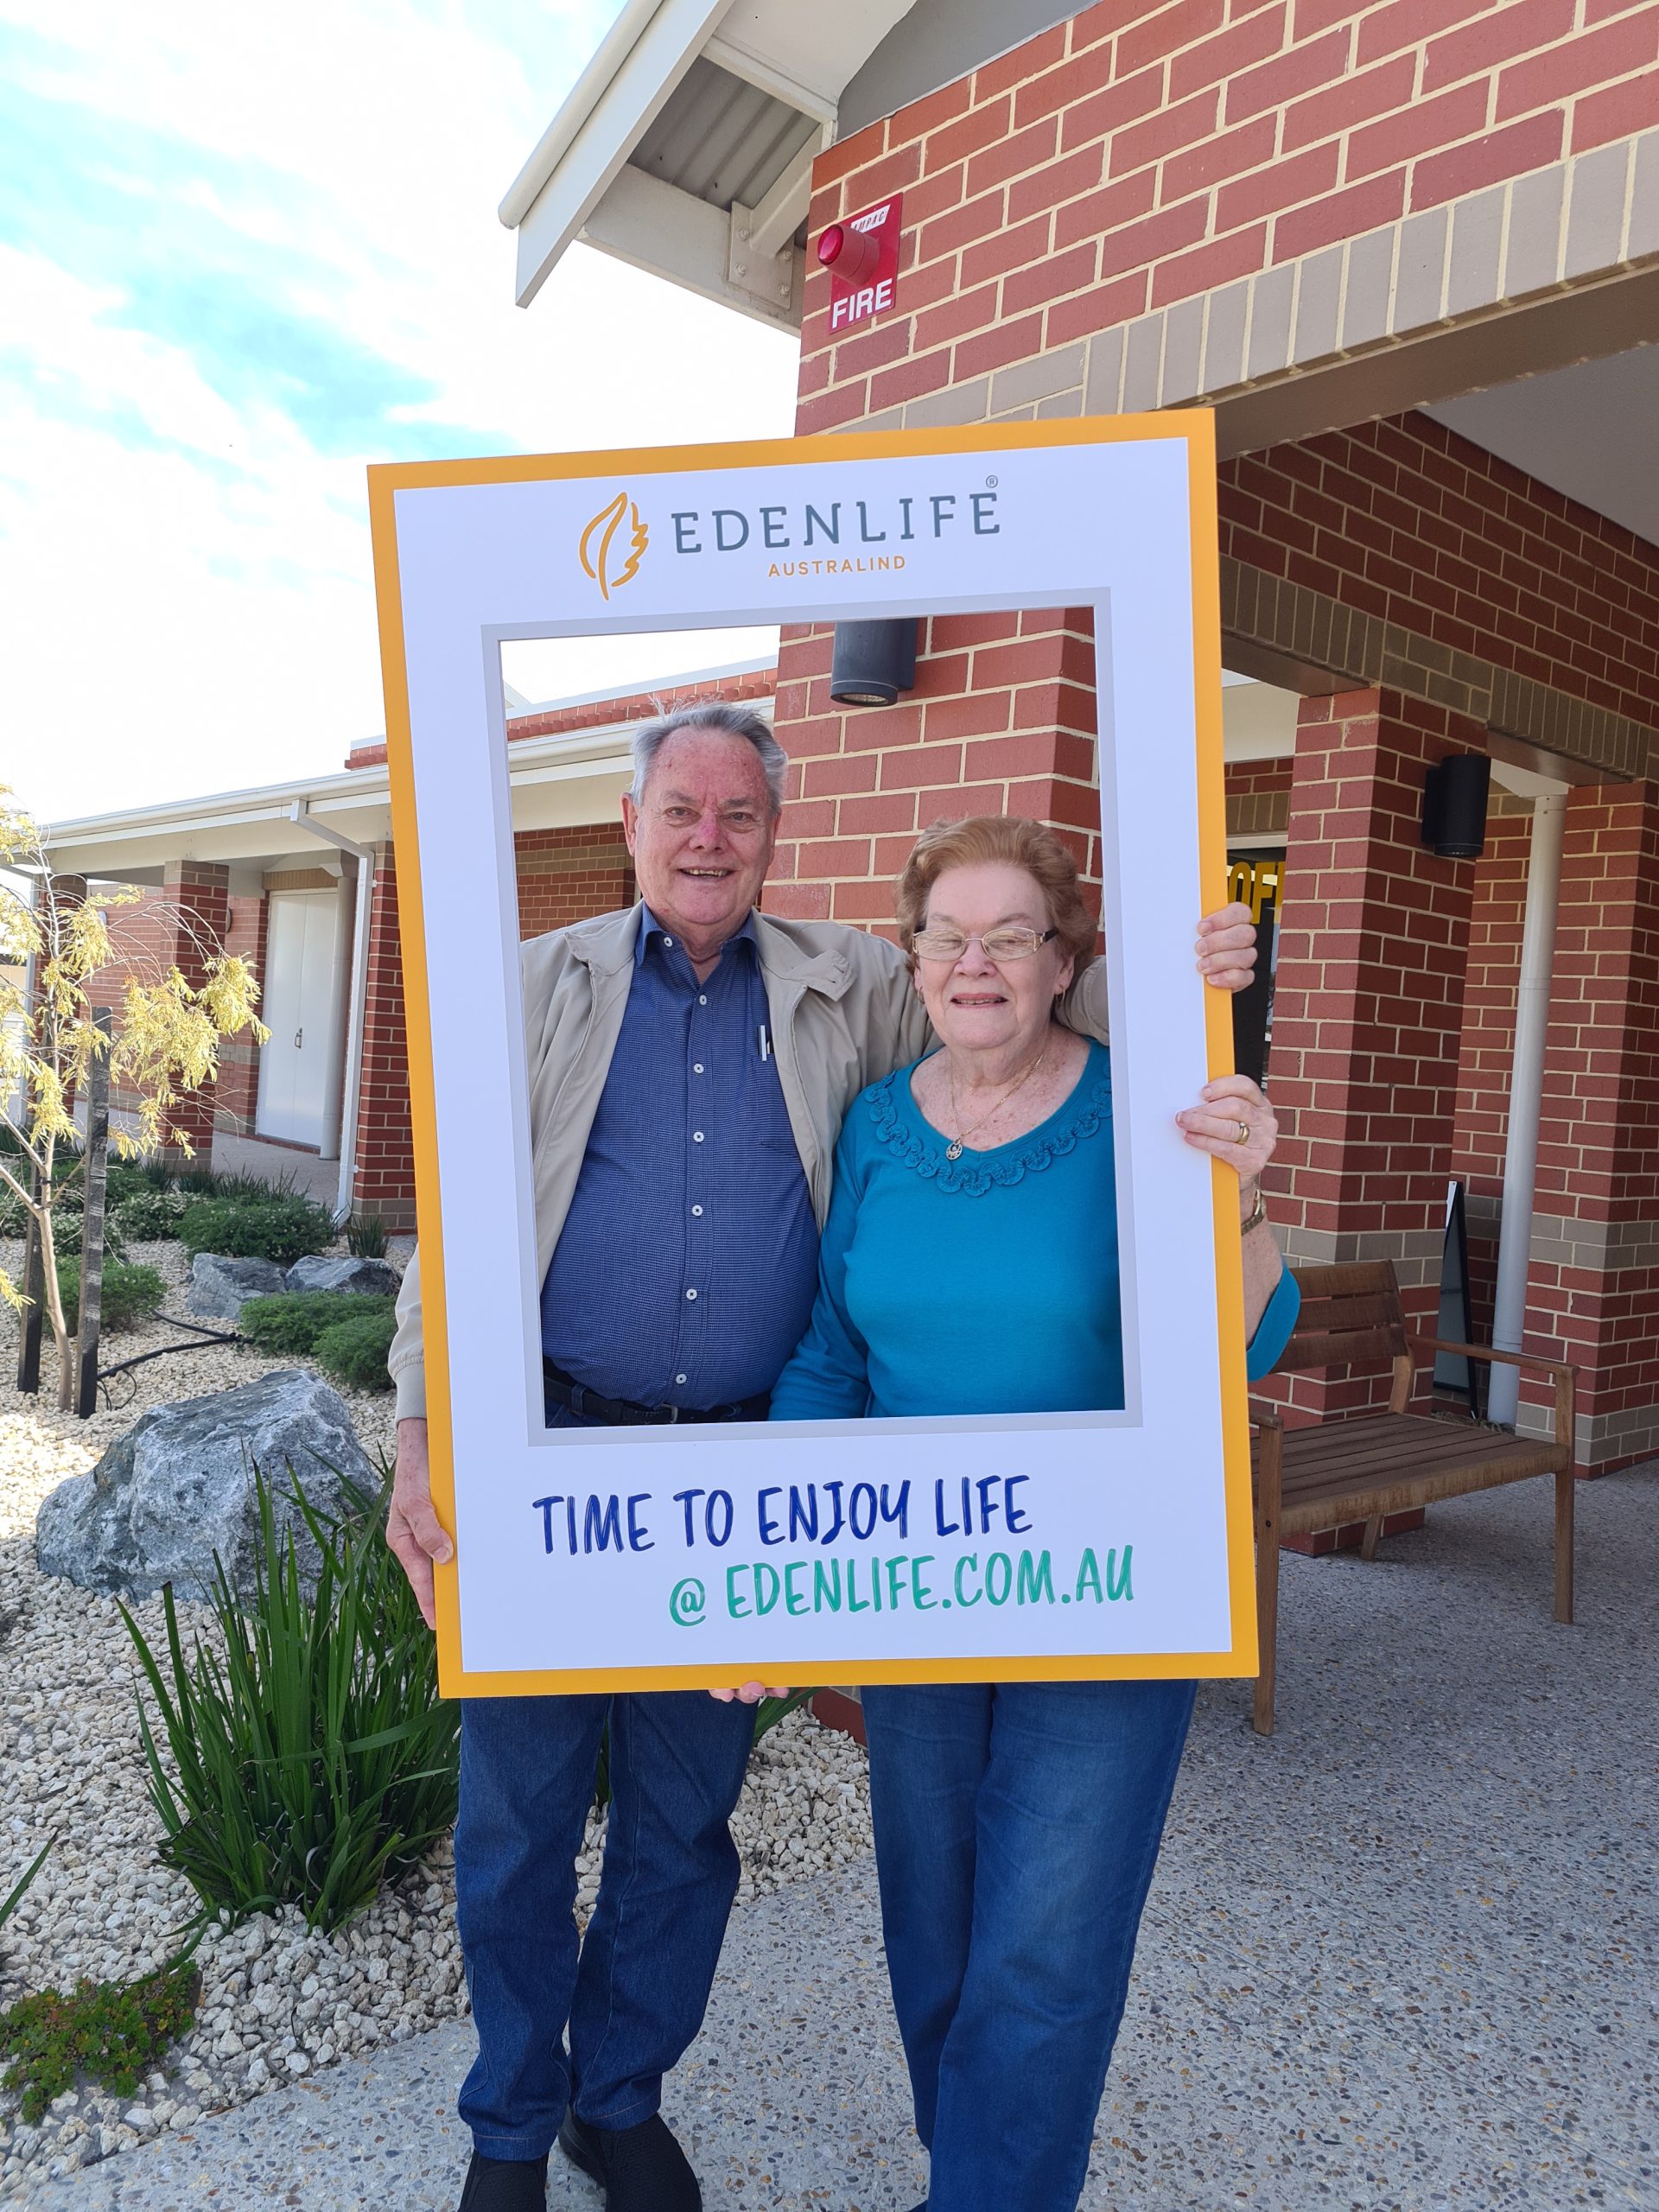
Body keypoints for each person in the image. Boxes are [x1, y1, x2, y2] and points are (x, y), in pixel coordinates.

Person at [385, 703, 1262, 2212]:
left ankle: (620, 2097)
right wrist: (416, 1425)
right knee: (517, 1817)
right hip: (552, 1449)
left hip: (750, 1476)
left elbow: (1019, 1002)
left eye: (740, 813)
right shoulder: (533, 984)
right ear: (632, 819)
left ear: (776, 835)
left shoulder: (850, 981)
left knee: (682, 1821)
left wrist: (1200, 977)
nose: (710, 839)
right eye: (683, 811)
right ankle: (510, 2129)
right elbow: (456, 1212)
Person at [766, 813, 1299, 2212]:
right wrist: (771, 1560)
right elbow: (832, 1352)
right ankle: (987, 2170)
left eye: (1013, 936)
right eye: (950, 937)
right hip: (919, 1591)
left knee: (1045, 1946)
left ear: (1065, 963)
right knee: (933, 1925)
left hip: (1107, 1598)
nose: (978, 962)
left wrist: (1243, 1201)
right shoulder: (880, 1124)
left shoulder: (1148, 1110)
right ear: (916, 961)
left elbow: (1244, 1345)